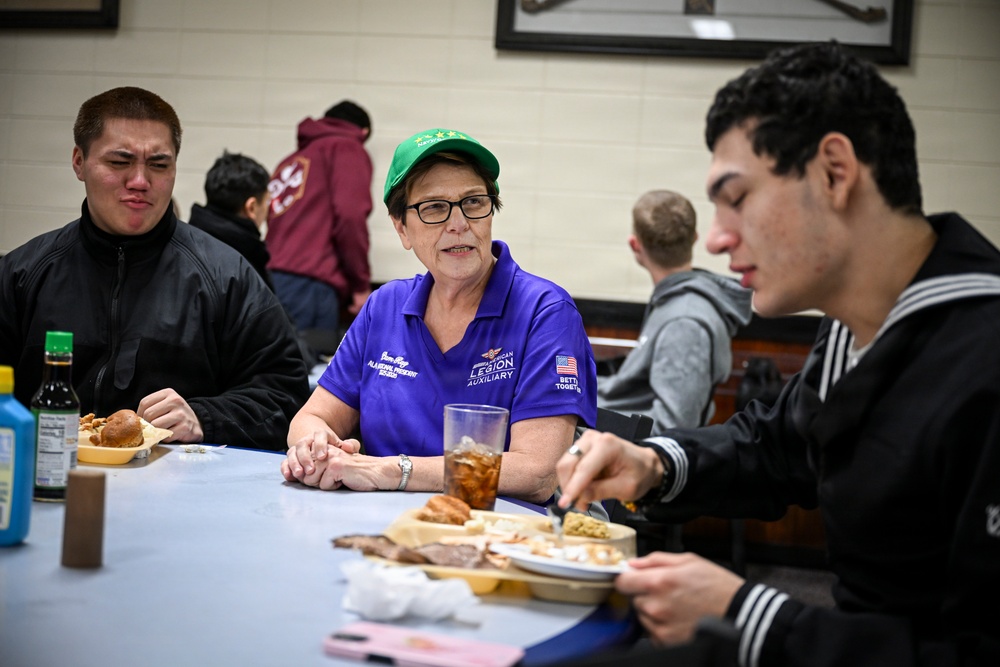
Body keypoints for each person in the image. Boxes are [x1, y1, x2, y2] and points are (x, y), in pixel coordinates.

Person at [556, 42, 1000, 666]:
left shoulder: (983, 356)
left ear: (834, 173)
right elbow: (775, 449)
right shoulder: (853, 325)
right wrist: (653, 462)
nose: (716, 238)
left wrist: (753, 618)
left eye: (736, 197)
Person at [281, 128, 597, 504]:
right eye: (434, 207)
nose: (458, 223)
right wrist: (314, 446)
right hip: (379, 519)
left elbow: (537, 472)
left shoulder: (544, 311)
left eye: (473, 202)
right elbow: (310, 419)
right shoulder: (385, 306)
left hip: (498, 526)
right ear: (402, 228)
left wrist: (391, 471)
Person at [0, 86, 311, 451]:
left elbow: (286, 397)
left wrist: (204, 418)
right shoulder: (22, 274)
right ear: (79, 162)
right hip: (44, 477)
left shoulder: (227, 278)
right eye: (120, 162)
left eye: (159, 165)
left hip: (182, 482)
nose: (140, 182)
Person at [597, 190, 752, 432]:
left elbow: (673, 427)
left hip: (624, 445)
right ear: (695, 238)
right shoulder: (674, 303)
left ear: (635, 245)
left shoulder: (685, 322)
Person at [265, 100, 373, 345]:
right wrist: (360, 285)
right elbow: (350, 217)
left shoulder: (290, 161)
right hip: (311, 284)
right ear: (363, 132)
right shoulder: (347, 147)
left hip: (270, 278)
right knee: (308, 362)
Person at [189, 150, 274, 290]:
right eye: (266, 202)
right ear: (251, 207)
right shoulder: (245, 264)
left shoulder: (184, 244)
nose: (268, 210)